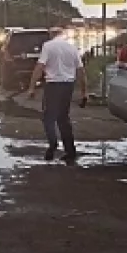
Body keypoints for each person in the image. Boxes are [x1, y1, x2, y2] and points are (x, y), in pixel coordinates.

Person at [28, 27, 88, 161]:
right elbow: (81, 71)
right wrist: (84, 92)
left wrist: (31, 87)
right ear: (63, 35)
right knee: (63, 118)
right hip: (68, 85)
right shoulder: (72, 48)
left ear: (51, 35)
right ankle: (70, 151)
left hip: (53, 85)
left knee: (48, 117)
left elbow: (40, 67)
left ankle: (53, 143)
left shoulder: (48, 46)